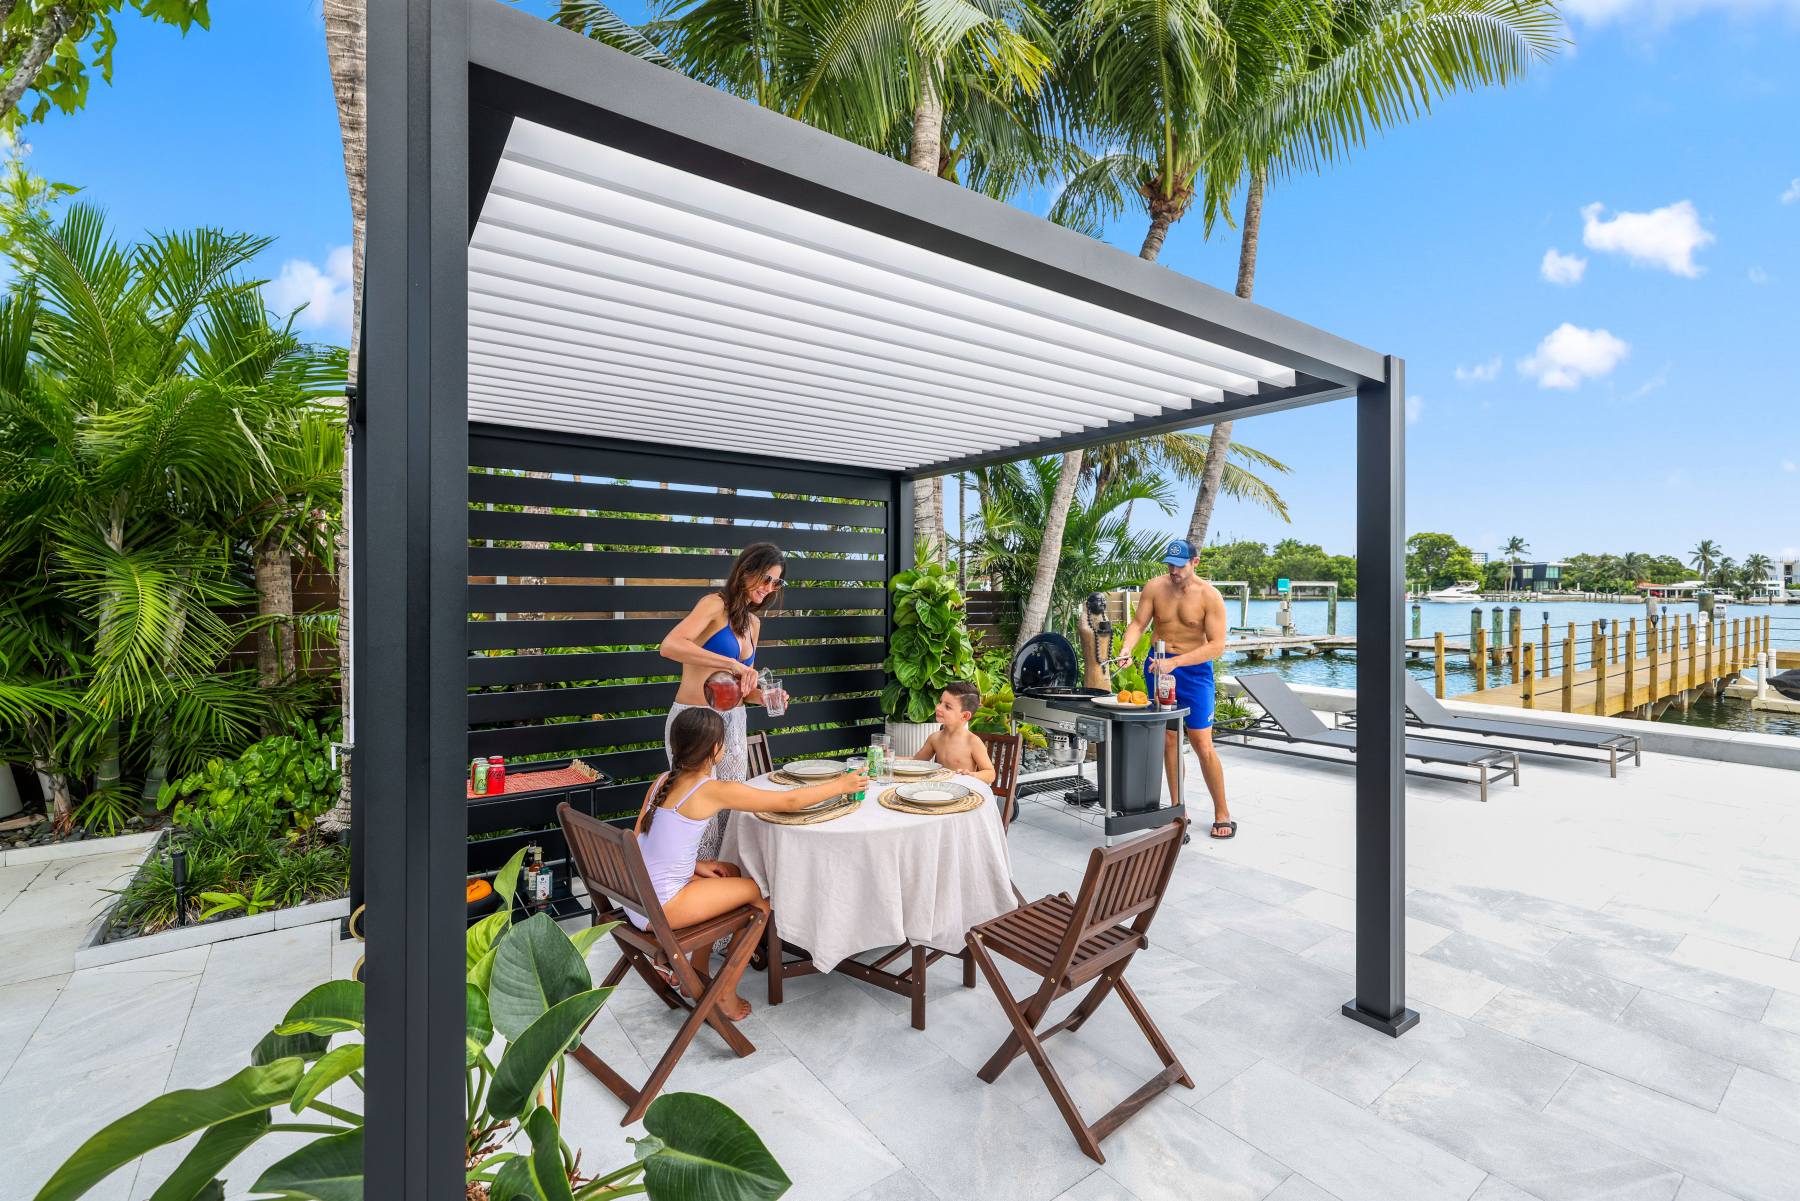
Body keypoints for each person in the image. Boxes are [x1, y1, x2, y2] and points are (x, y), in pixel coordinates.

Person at [631, 707, 867, 1019]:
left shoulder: (662, 781)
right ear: (715, 748)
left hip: (636, 898)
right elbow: (789, 802)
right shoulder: (709, 790)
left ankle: (696, 974)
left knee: (729, 871)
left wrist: (694, 866)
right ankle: (725, 990)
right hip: (661, 907)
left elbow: (641, 840)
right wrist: (840, 786)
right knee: (761, 897)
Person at [658, 541, 784, 860]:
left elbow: (739, 688)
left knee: (729, 808)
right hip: (695, 721)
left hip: (733, 724)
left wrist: (764, 696)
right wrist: (730, 663)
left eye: (775, 582)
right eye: (765, 578)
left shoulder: (754, 624)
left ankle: (724, 876)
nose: (768, 587)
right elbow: (670, 646)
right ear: (746, 571)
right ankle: (689, 880)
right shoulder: (714, 605)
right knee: (696, 808)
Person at [1112, 539, 1235, 838]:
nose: (1174, 571)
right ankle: (1179, 810)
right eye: (1170, 564)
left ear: (1195, 562)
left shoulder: (1210, 596)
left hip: (1194, 672)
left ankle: (1222, 812)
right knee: (1168, 740)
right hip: (1159, 668)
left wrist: (1176, 662)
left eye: (1180, 565)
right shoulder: (1155, 587)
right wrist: (1127, 648)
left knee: (1202, 744)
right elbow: (1138, 624)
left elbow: (1217, 646)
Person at [915, 680, 996, 785]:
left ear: (965, 716)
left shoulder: (972, 742)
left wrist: (972, 775)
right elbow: (915, 762)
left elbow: (990, 774)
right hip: (941, 790)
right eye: (940, 702)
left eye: (947, 707)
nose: (938, 707)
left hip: (965, 792)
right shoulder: (934, 738)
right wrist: (894, 757)